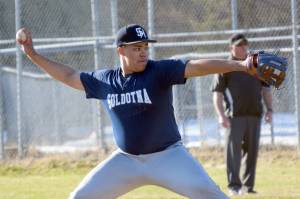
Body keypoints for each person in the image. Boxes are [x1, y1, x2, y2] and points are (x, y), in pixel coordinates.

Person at [17, 24, 254, 199]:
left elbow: (196, 66)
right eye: (136, 48)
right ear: (121, 50)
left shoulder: (159, 71)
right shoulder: (106, 80)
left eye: (145, 47)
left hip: (169, 157)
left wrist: (240, 65)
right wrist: (33, 55)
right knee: (79, 197)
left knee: (214, 197)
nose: (143, 52)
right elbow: (69, 76)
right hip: (126, 160)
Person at [211, 33, 273, 196]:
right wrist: (221, 115)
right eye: (239, 45)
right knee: (233, 153)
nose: (243, 48)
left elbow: (266, 89)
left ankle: (248, 187)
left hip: (255, 115)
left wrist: (270, 110)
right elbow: (217, 94)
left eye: (245, 45)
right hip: (234, 117)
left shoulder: (255, 64)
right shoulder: (225, 66)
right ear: (231, 47)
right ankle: (234, 186)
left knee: (252, 152)